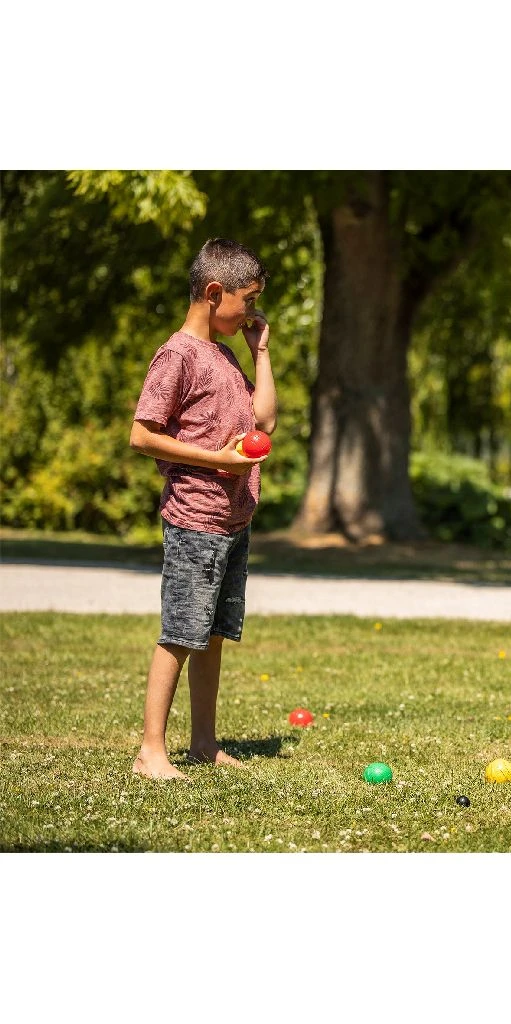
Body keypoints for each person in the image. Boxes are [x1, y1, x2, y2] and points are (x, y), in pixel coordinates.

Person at [129, 238, 277, 780]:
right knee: (181, 633)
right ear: (214, 293)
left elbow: (264, 421)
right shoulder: (178, 355)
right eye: (248, 301)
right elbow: (142, 435)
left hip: (233, 519)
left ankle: (203, 743)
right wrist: (217, 459)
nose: (252, 313)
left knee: (212, 634)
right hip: (195, 518)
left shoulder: (225, 354)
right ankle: (151, 750)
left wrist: (261, 352)